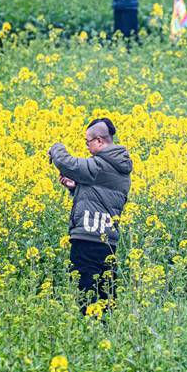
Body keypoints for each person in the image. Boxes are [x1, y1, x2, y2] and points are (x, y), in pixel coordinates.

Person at [49, 118, 133, 315]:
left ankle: (93, 332)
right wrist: (76, 187)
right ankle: (107, 333)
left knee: (87, 293)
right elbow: (102, 194)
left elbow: (68, 164)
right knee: (105, 293)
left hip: (89, 237)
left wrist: (56, 148)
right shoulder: (118, 166)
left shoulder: (100, 165)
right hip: (106, 239)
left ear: (99, 141)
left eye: (87, 142)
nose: (87, 147)